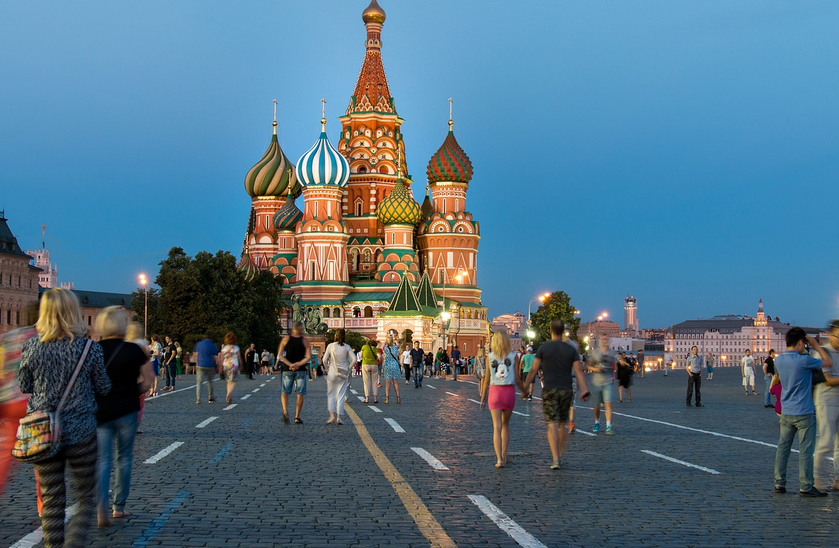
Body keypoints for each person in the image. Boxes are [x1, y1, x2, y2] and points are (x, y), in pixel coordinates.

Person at [19, 288, 112, 548]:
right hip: (81, 431)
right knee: (86, 497)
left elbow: (25, 385)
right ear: (73, 313)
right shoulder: (89, 349)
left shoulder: (32, 346)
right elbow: (104, 387)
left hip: (43, 432)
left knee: (52, 499)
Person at [94, 306, 152, 527]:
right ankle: (119, 507)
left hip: (101, 410)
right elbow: (148, 381)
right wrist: (132, 392)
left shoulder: (94, 349)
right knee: (124, 458)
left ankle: (101, 509)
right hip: (127, 410)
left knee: (103, 459)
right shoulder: (135, 350)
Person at [773, 327, 834, 496]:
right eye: (804, 343)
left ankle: (779, 483)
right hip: (804, 411)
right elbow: (828, 362)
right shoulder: (804, 360)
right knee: (806, 451)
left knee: (783, 448)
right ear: (800, 342)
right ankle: (806, 486)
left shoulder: (779, 360)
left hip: (786, 410)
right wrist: (816, 345)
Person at [523, 319, 590, 470]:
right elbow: (578, 371)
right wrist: (585, 389)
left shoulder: (544, 348)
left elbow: (533, 370)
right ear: (562, 331)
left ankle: (556, 459)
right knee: (562, 424)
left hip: (549, 390)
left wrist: (525, 388)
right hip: (566, 389)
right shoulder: (570, 350)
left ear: (551, 331)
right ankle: (560, 451)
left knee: (552, 424)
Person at [0, 302, 38, 497]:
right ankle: (45, 505)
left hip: (9, 401)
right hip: (33, 403)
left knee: (5, 453)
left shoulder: (9, 337)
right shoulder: (41, 339)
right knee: (42, 455)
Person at [479, 331, 520, 469]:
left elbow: (486, 380)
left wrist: (483, 396)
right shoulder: (514, 356)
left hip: (495, 393)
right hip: (509, 393)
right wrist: (524, 390)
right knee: (505, 425)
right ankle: (504, 454)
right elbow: (517, 377)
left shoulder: (489, 357)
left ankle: (499, 460)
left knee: (496, 427)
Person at [815, 320, 839, 492]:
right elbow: (828, 380)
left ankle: (838, 479)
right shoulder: (823, 353)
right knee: (826, 441)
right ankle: (815, 477)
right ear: (830, 335)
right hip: (826, 401)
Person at [278, 323, 311, 424]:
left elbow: (280, 355)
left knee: (285, 392)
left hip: (287, 369)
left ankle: (285, 410)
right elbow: (308, 357)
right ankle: (297, 417)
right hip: (300, 370)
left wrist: (290, 364)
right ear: (301, 330)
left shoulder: (286, 339)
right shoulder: (304, 340)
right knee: (300, 393)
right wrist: (298, 364)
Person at [324, 329, 355, 425]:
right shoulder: (347, 347)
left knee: (331, 394)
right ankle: (339, 418)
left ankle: (332, 416)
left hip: (332, 372)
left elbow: (324, 360)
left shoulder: (330, 346)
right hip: (343, 373)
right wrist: (348, 368)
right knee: (341, 395)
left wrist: (327, 369)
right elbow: (354, 359)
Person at [587, 336, 616, 434]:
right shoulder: (595, 353)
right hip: (597, 382)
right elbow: (588, 366)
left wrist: (613, 376)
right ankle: (597, 422)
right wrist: (596, 369)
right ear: (600, 341)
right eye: (603, 339)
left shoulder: (612, 353)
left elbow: (613, 366)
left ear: (609, 341)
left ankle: (608, 426)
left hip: (608, 381)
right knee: (597, 405)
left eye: (606, 339)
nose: (604, 341)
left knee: (608, 403)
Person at [125, 323, 149, 435]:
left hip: (126, 380)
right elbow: (146, 364)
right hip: (139, 379)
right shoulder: (143, 345)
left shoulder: (124, 345)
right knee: (139, 404)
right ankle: (135, 425)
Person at [193, 332, 219, 404]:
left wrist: (196, 363)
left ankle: (198, 398)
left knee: (199, 382)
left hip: (200, 364)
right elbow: (216, 357)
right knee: (210, 382)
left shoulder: (199, 344)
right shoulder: (212, 345)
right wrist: (218, 366)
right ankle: (210, 397)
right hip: (209, 365)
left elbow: (195, 354)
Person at [220, 333, 242, 404]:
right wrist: (241, 364)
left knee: (228, 381)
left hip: (226, 365)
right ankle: (229, 393)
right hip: (234, 365)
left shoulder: (224, 348)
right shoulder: (236, 348)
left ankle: (228, 394)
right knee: (233, 380)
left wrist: (220, 367)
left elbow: (221, 358)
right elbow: (239, 357)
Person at [381, 336, 402, 404]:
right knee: (395, 382)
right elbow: (398, 345)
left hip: (387, 366)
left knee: (387, 383)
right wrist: (395, 339)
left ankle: (387, 398)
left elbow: (382, 346)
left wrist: (386, 341)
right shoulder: (395, 347)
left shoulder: (386, 348)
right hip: (395, 366)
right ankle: (398, 397)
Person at [360, 339, 379, 404]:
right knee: (375, 382)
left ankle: (367, 398)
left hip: (365, 365)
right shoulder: (376, 349)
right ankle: (375, 398)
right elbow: (380, 356)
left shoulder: (364, 347)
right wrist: (379, 362)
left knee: (366, 382)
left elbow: (360, 356)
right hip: (374, 365)